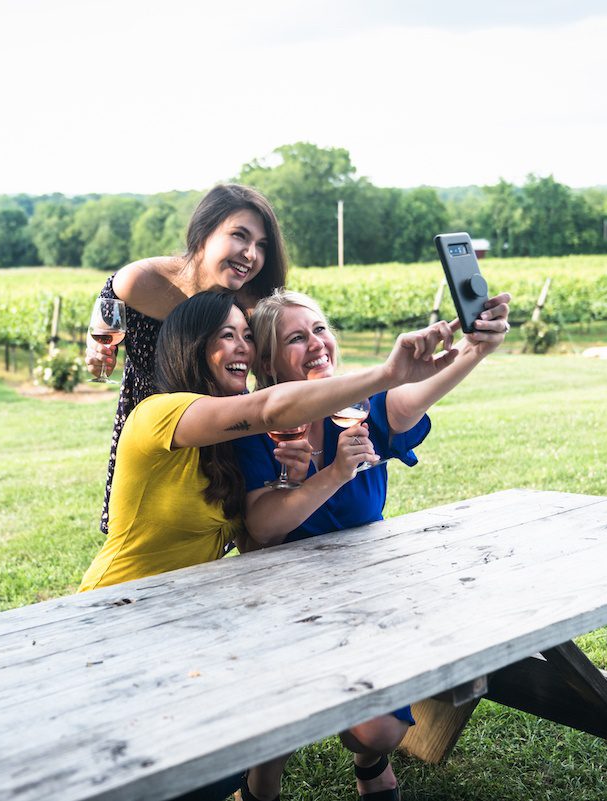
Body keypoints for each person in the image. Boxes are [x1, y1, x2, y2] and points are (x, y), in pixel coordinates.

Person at [77, 290, 459, 801]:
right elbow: (268, 406)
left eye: (247, 337)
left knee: (210, 765)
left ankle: (265, 784)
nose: (242, 349)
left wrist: (287, 478)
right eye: (226, 336)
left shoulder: (226, 444)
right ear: (191, 347)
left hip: (188, 616)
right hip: (120, 609)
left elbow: (255, 535)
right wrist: (388, 373)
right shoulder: (160, 414)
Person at [231, 288, 511, 801]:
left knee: (379, 730)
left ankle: (369, 761)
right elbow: (265, 528)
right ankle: (263, 776)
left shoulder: (360, 411)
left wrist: (475, 350)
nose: (317, 344)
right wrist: (333, 473)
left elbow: (407, 401)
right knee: (276, 690)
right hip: (281, 601)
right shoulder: (257, 428)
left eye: (319, 329)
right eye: (296, 338)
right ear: (268, 364)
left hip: (363, 593)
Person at [84, 184, 289, 535]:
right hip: (154, 435)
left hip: (225, 432)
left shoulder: (253, 302)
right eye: (240, 236)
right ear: (203, 232)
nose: (251, 254)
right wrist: (95, 346)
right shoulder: (143, 281)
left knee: (224, 535)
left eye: (261, 245)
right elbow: (106, 309)